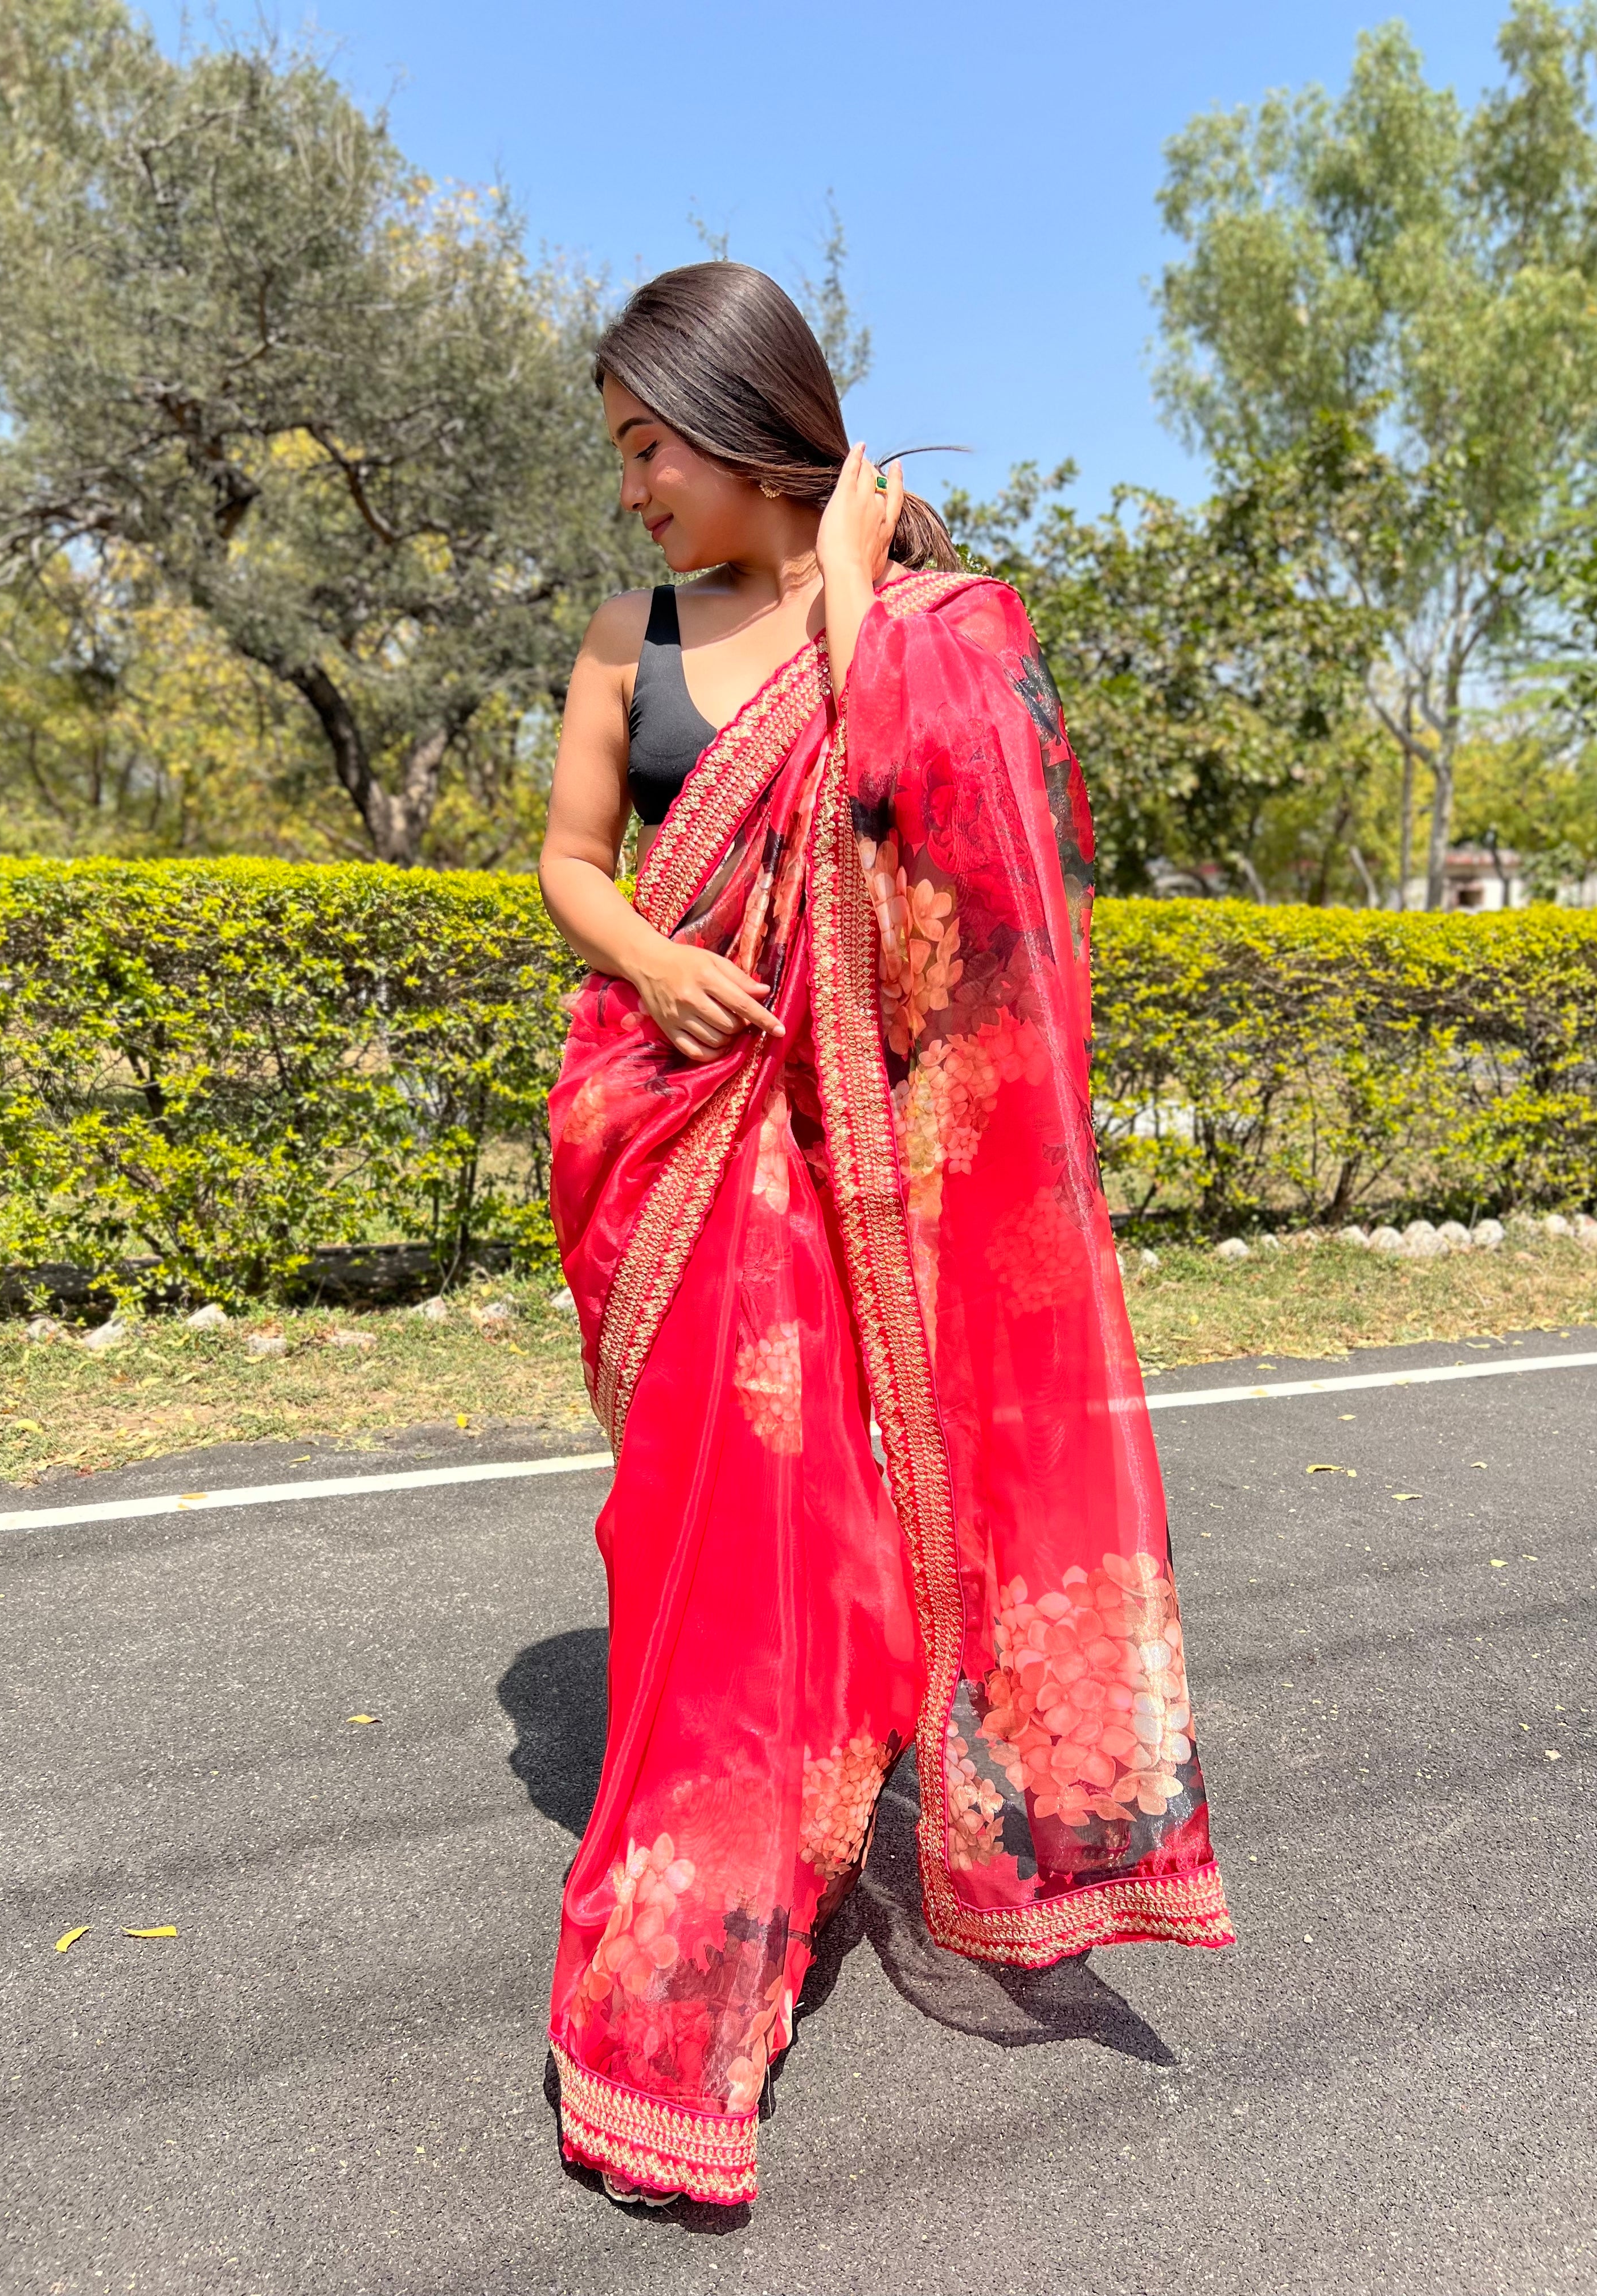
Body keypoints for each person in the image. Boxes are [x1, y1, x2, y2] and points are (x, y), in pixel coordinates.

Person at [536, 262, 1230, 2210]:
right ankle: (725, 1842)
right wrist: (658, 956)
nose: (637, 487)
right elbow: (568, 863)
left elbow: (969, 863)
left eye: (653, 444)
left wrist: (849, 596)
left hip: (839, 1173)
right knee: (695, 1528)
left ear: (754, 423)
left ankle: (721, 1920)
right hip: (673, 1153)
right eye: (621, 453)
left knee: (814, 1539)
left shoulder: (917, 627)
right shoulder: (626, 639)